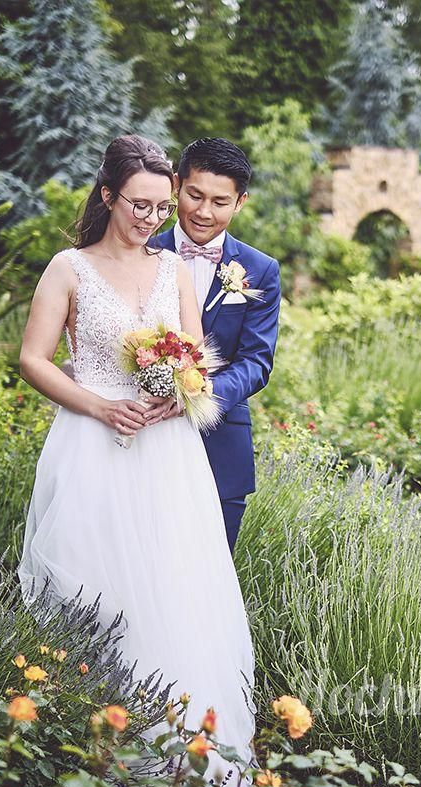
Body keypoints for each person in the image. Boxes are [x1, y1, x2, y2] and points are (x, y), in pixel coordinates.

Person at [15, 134, 257, 787]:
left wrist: (178, 391)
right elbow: (33, 359)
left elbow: (195, 361)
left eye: (160, 209)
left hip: (165, 454)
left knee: (172, 589)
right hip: (92, 444)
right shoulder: (68, 268)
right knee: (95, 590)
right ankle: (87, 744)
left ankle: (178, 750)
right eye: (139, 206)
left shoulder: (174, 271)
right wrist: (97, 406)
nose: (153, 219)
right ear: (107, 196)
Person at [149, 138, 282, 555]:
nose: (204, 212)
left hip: (220, 443)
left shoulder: (260, 270)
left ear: (240, 202)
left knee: (211, 570)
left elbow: (257, 362)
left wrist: (199, 395)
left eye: (220, 201)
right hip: (143, 434)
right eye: (195, 195)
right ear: (175, 185)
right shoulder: (140, 251)